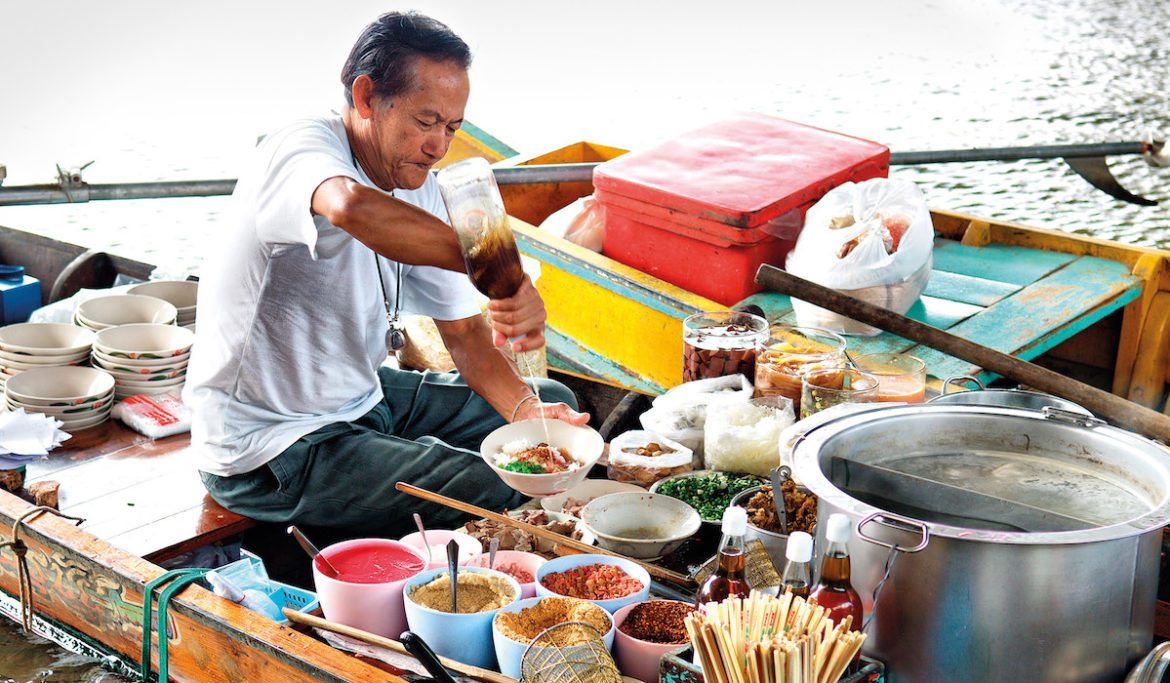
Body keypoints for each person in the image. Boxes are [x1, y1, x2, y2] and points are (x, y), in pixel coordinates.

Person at [183, 11, 589, 540]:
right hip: (266, 446)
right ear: (366, 96)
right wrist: (501, 273)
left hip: (362, 396)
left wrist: (526, 409)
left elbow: (468, 339)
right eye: (426, 122)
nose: (439, 146)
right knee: (494, 481)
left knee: (555, 416)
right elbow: (350, 206)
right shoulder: (301, 146)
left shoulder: (421, 184)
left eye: (452, 128)